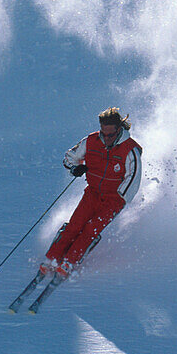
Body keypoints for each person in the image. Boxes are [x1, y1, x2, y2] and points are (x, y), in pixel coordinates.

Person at [42, 107, 142, 277]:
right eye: (104, 133)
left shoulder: (130, 149)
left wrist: (120, 198)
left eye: (110, 135)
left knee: (90, 230)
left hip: (113, 199)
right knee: (75, 225)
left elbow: (133, 177)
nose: (106, 138)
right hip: (93, 192)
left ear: (119, 129)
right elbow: (70, 156)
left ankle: (70, 262)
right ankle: (52, 258)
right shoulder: (91, 140)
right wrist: (75, 168)